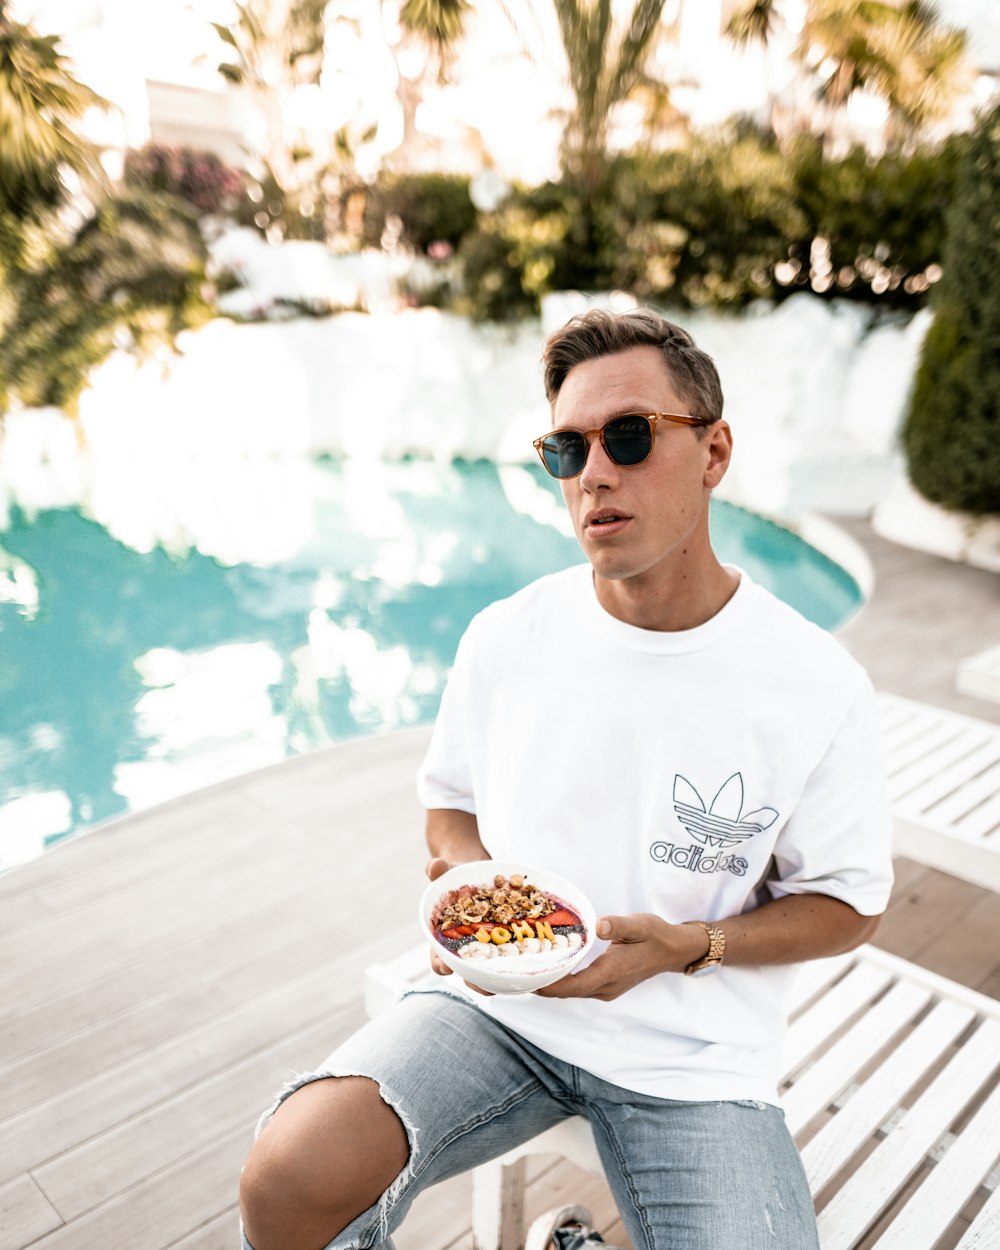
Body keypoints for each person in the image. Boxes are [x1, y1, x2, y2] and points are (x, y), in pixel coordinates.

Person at [239, 307, 894, 1250]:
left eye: (630, 436)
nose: (595, 472)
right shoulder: (509, 636)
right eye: (566, 448)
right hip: (500, 1011)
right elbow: (449, 802)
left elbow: (849, 903)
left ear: (714, 454)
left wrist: (690, 945)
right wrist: (472, 890)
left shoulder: (813, 681)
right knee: (285, 1178)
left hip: (694, 1061)